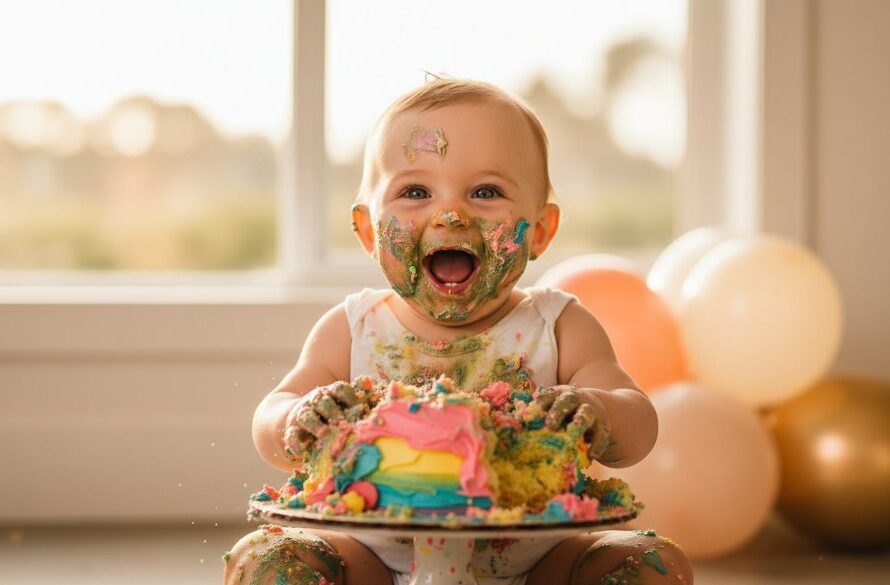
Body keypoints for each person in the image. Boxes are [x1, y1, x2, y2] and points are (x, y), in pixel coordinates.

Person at [224, 78, 694, 585]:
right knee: (268, 561)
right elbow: (271, 419)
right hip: (372, 561)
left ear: (540, 230)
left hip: (538, 562)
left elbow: (637, 418)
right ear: (367, 230)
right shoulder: (354, 326)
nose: (450, 214)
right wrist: (296, 416)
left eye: (486, 192)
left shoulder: (558, 325)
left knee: (649, 565)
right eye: (415, 191)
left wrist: (601, 411)